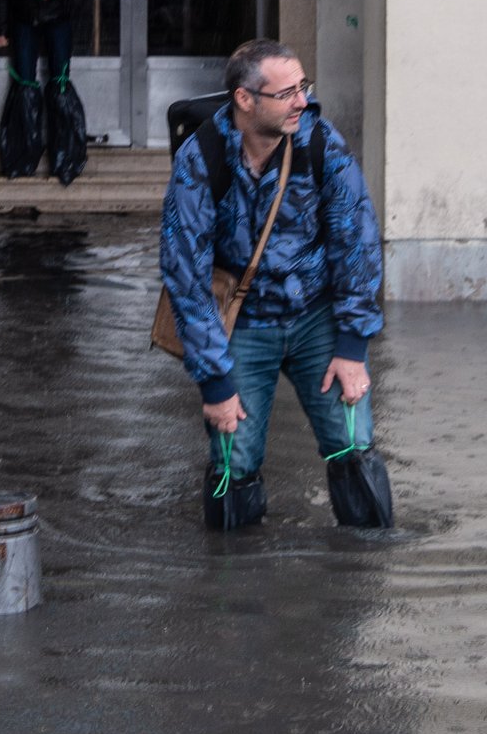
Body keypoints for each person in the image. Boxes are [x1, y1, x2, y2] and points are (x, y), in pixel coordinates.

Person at [159, 38, 385, 528]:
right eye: (287, 93)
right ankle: (231, 582)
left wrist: (352, 347)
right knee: (231, 459)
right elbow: (186, 275)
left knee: (353, 443)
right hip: (243, 324)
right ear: (245, 99)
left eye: (303, 87)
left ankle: (367, 574)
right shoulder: (202, 158)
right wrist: (215, 382)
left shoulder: (321, 142)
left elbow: (359, 244)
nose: (302, 101)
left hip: (317, 317)